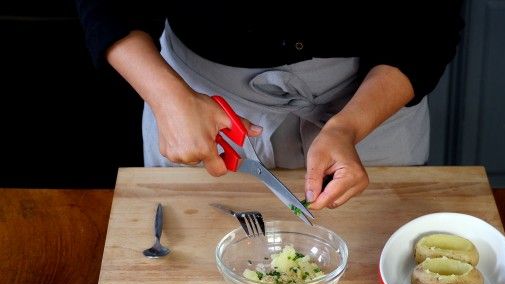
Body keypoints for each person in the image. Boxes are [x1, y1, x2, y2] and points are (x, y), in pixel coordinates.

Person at [75, 1, 463, 209]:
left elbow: (431, 25)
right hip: (195, 105)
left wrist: (347, 127)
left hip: (372, 103)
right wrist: (167, 98)